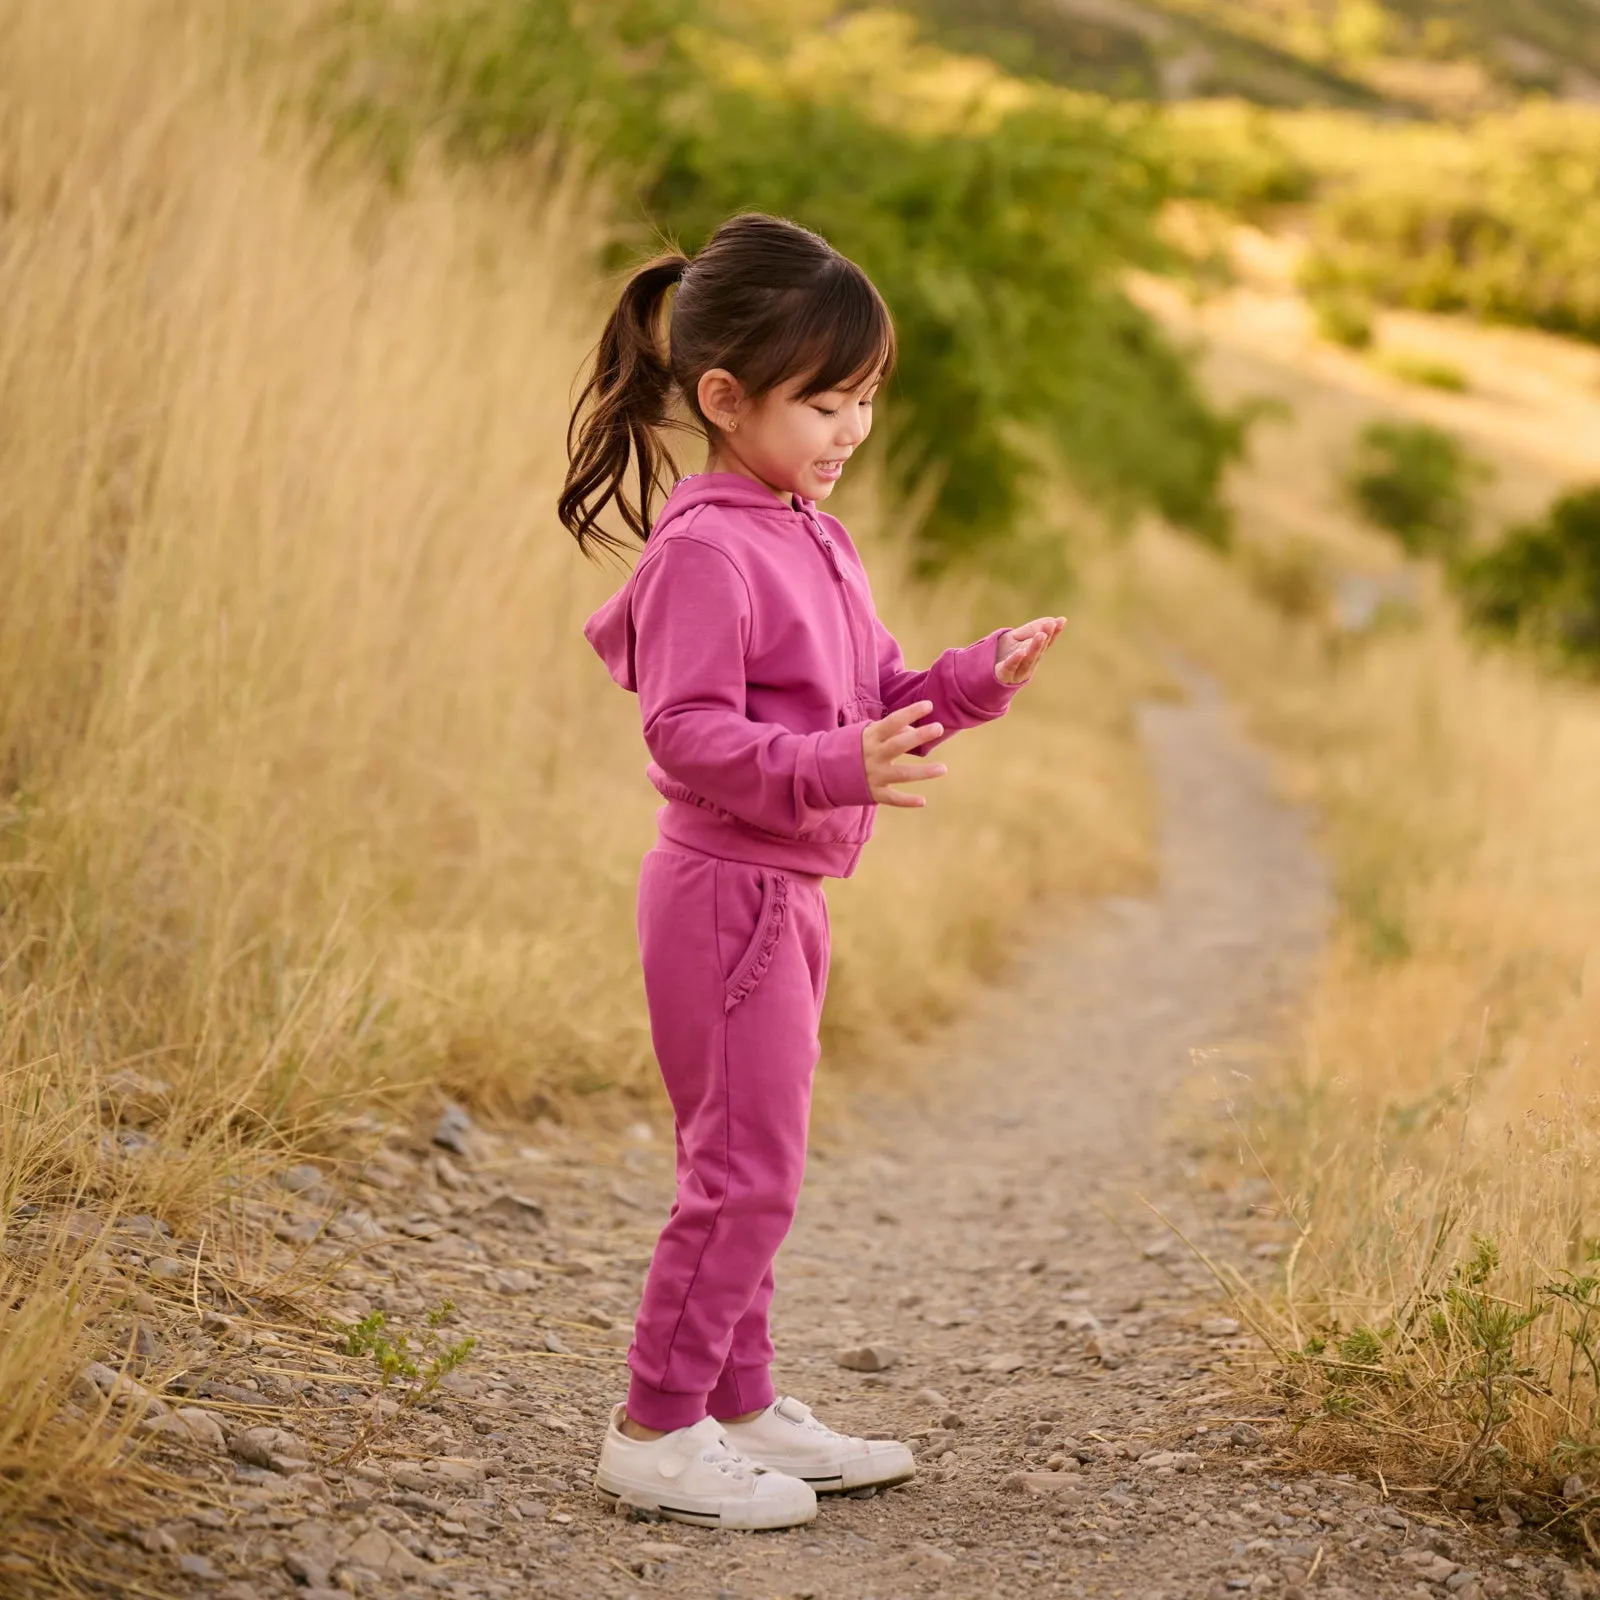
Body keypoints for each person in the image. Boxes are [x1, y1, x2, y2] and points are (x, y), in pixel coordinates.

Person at [560, 212, 1064, 1530]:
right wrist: (835, 767)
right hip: (725, 894)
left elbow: (873, 695)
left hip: (783, 897)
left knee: (758, 1153)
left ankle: (740, 1401)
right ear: (724, 398)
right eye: (825, 402)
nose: (851, 431)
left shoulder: (805, 531)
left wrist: (969, 680)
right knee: (744, 1170)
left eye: (867, 402)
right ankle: (656, 1428)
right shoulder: (708, 550)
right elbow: (684, 730)